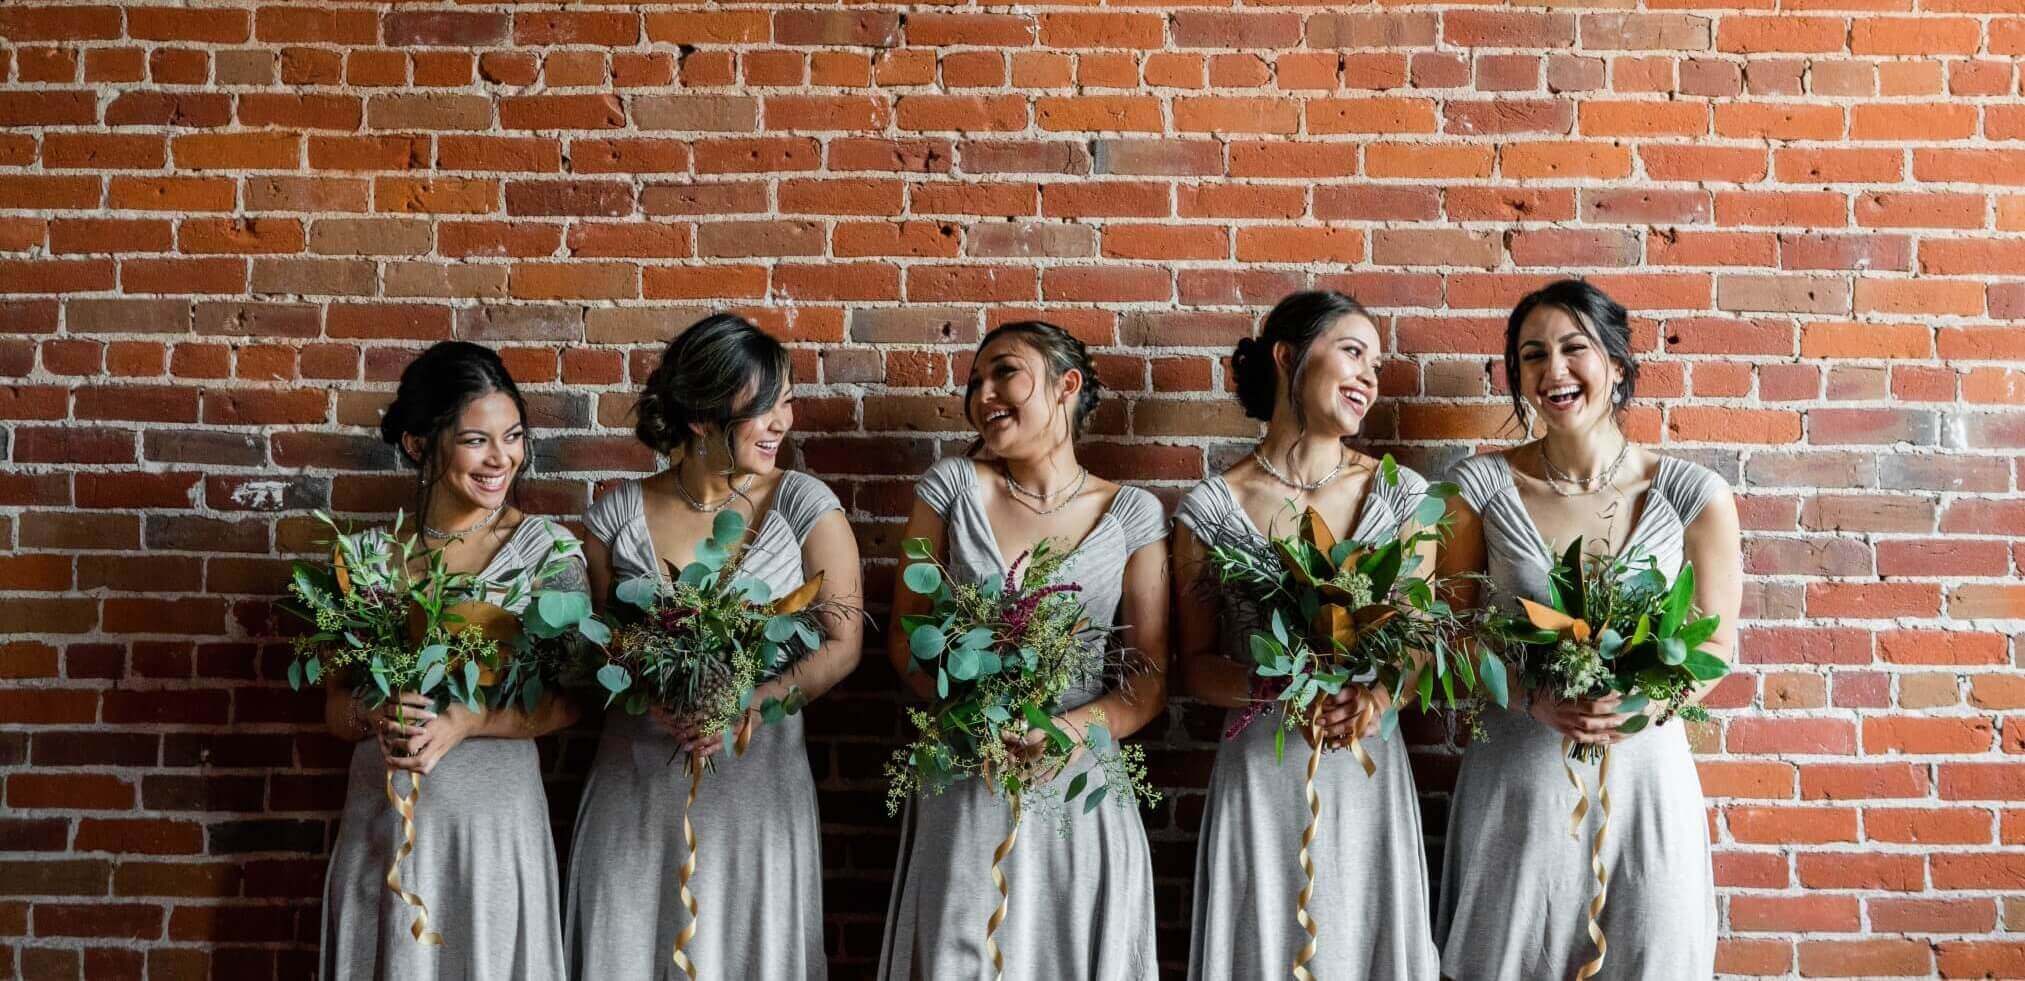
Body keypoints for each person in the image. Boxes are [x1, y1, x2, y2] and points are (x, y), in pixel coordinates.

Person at [1434, 279, 1741, 980]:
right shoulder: (1475, 491)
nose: (1553, 371)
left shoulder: (1694, 495)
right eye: (1532, 356)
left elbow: (1715, 645)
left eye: (1574, 349)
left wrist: (1645, 701)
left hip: (1644, 780)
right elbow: (1447, 637)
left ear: (1617, 365)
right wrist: (1531, 697)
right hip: (1519, 776)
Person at [564, 313, 862, 979]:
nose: (781, 421)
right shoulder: (616, 514)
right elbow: (588, 642)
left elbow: (843, 644)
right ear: (699, 416)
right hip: (636, 786)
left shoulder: (806, 505)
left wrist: (753, 702)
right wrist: (646, 687)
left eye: (785, 400)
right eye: (762, 404)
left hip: (757, 789)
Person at [879, 321, 1170, 980]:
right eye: (974, 382)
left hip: (1075, 785)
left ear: (1066, 385)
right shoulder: (951, 488)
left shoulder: (1132, 513)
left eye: (1003, 372)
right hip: (964, 775)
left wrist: (1061, 730)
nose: (983, 394)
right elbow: (905, 637)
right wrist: (970, 718)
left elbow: (1147, 680)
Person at [321, 340, 585, 979]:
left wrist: (468, 721)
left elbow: (573, 698)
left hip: (492, 829)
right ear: (420, 445)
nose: (503, 459)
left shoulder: (548, 552)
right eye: (477, 440)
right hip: (381, 826)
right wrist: (375, 711)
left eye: (514, 436)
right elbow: (333, 709)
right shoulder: (363, 560)